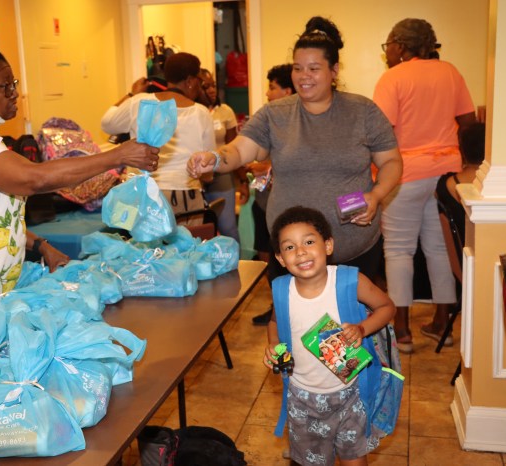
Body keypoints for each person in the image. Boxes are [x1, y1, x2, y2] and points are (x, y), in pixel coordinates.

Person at [0, 45, 159, 312]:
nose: (14, 93)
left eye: (14, 84)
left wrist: (41, 246)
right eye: (4, 86)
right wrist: (118, 156)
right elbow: (34, 180)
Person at [188, 16, 402, 283]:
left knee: (352, 323)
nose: (304, 77)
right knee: (293, 322)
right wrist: (215, 157)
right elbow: (240, 150)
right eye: (298, 68)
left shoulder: (363, 111)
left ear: (334, 70)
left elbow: (392, 162)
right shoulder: (275, 114)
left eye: (314, 68)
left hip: (354, 250)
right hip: (292, 253)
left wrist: (377, 195)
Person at [262, 206, 396, 466]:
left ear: (328, 245)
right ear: (280, 258)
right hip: (302, 399)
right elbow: (274, 322)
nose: (300, 251)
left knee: (354, 462)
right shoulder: (281, 289)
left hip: (351, 395)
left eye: (309, 242)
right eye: (289, 247)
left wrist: (362, 329)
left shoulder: (349, 281)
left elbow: (387, 307)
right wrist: (273, 344)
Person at [373, 18, 476, 353]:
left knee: (399, 249)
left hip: (404, 174)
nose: (386, 52)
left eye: (387, 45)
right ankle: (441, 320)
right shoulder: (451, 72)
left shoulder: (393, 78)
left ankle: (401, 329)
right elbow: (469, 122)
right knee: (438, 247)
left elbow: (382, 132)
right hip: (447, 175)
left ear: (401, 46)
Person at [102, 52, 215, 217]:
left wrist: (131, 94)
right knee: (188, 242)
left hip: (143, 195)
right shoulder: (201, 113)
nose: (200, 86)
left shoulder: (139, 102)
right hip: (185, 197)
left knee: (144, 243)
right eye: (200, 80)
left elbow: (107, 123)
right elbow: (208, 170)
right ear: (190, 81)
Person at [250, 63, 296, 326]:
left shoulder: (295, 122)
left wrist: (265, 164)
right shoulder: (268, 118)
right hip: (264, 199)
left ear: (287, 90)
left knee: (283, 256)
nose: (268, 94)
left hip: (281, 203)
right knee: (268, 255)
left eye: (272, 87)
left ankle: (285, 311)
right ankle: (277, 306)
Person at [198, 68, 241, 241]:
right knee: (202, 230)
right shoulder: (192, 112)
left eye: (213, 85)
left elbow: (235, 147)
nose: (212, 90)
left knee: (228, 227)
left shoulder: (225, 111)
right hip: (195, 178)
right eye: (206, 86)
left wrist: (242, 180)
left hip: (221, 175)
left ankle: (237, 266)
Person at [435, 121, 485, 239]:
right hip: (487, 249)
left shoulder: (445, 185)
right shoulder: (495, 184)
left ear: (462, 150)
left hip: (460, 251)